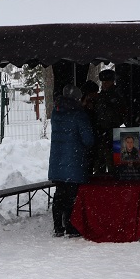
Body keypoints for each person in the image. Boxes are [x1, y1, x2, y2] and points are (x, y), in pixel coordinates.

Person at [48, 85, 93, 237]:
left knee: (59, 193)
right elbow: (88, 139)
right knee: (71, 196)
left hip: (57, 160)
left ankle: (58, 226)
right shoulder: (79, 115)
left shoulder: (56, 112)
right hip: (74, 161)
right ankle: (70, 226)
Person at [92, 69, 127, 174]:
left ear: (112, 81)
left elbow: (121, 115)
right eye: (103, 82)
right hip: (101, 133)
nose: (104, 84)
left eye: (107, 82)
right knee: (99, 164)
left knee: (112, 163)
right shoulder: (101, 96)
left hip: (112, 132)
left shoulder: (117, 96)